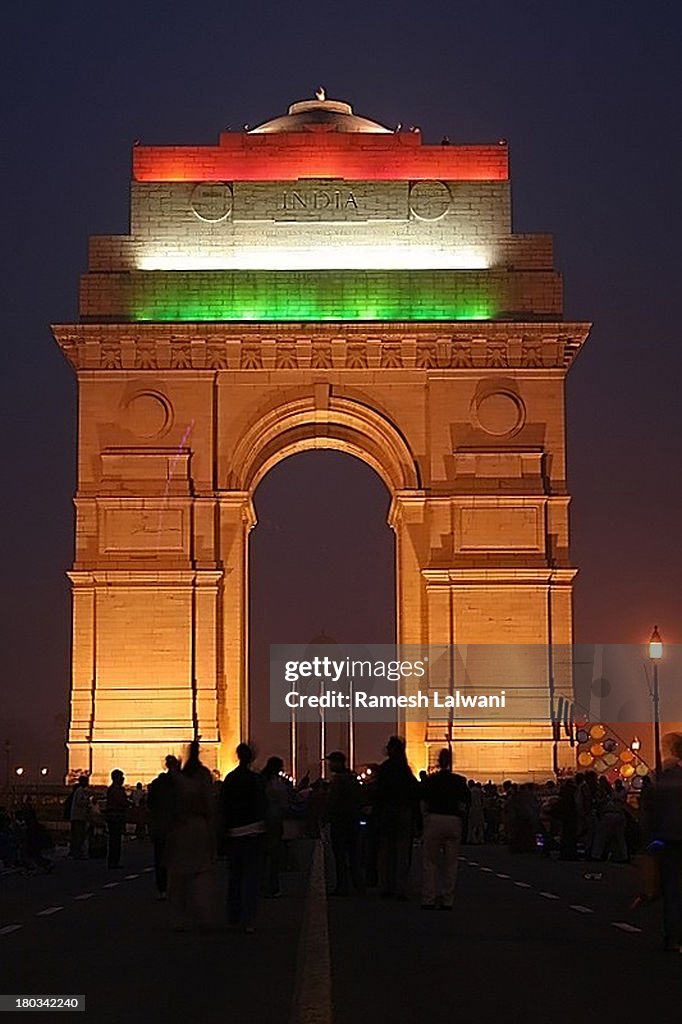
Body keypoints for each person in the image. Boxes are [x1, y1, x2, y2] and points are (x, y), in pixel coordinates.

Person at [166, 742, 217, 931]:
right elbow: (209, 805)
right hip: (198, 826)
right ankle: (203, 915)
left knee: (178, 874)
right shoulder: (203, 775)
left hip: (180, 827)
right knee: (201, 871)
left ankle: (178, 918)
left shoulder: (178, 778)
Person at [641, 734, 682, 951]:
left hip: (666, 841)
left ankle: (673, 937)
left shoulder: (658, 787)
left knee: (673, 891)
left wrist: (649, 846)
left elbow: (647, 818)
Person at [220, 743, 267, 933]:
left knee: (235, 877)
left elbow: (223, 806)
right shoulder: (256, 780)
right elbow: (262, 804)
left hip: (235, 833)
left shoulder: (230, 779)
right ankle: (249, 920)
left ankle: (233, 916)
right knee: (251, 878)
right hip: (253, 831)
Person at [420, 749, 470, 910]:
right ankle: (448, 899)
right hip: (453, 820)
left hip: (434, 819)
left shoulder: (431, 781)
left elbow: (423, 803)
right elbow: (465, 805)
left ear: (437, 761)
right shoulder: (459, 781)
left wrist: (424, 820)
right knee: (451, 863)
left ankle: (429, 898)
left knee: (430, 862)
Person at [374, 736, 420, 900]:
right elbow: (414, 793)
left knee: (386, 851)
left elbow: (378, 793)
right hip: (404, 813)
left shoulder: (385, 769)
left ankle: (386, 886)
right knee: (402, 852)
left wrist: (375, 815)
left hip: (388, 812)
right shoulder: (405, 770)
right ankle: (401, 888)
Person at [324, 751, 364, 896]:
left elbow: (332, 801)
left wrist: (326, 817)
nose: (329, 765)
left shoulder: (339, 780)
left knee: (340, 855)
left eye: (331, 762)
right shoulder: (353, 778)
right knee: (354, 855)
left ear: (338, 763)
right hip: (353, 821)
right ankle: (358, 885)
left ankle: (343, 886)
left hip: (340, 821)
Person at [147, 755, 180, 899]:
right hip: (177, 828)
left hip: (160, 827)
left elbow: (150, 805)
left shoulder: (156, 784)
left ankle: (162, 889)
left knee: (160, 859)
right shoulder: (182, 784)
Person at [261, 756, 289, 897]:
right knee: (273, 856)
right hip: (274, 821)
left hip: (261, 822)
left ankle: (262, 885)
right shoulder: (278, 784)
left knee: (262, 857)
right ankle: (272, 885)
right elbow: (284, 803)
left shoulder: (261, 781)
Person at [104, 769, 129, 868]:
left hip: (114, 816)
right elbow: (120, 801)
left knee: (114, 840)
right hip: (116, 816)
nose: (123, 779)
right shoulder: (116, 790)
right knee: (115, 840)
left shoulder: (112, 789)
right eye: (121, 777)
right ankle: (113, 861)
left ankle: (113, 861)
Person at [69, 776, 90, 859]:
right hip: (78, 816)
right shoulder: (80, 791)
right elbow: (79, 802)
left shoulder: (79, 791)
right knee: (79, 835)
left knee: (77, 835)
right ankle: (77, 853)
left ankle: (76, 852)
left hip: (78, 816)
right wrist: (87, 801)